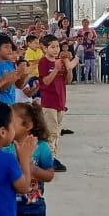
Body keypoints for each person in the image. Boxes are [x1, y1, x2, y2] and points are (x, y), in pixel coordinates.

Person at [38, 34, 77, 172]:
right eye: (52, 47)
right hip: (49, 101)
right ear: (45, 48)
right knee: (51, 132)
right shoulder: (43, 62)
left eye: (57, 47)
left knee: (57, 131)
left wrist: (69, 68)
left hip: (60, 100)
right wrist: (55, 69)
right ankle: (48, 159)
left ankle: (53, 156)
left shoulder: (60, 61)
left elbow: (68, 80)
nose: (56, 50)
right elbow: (46, 81)